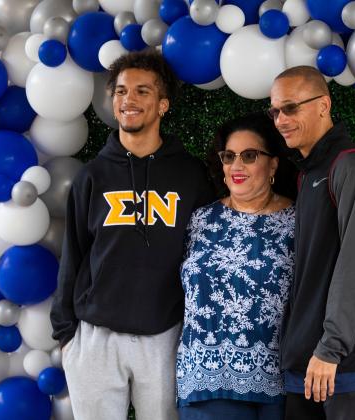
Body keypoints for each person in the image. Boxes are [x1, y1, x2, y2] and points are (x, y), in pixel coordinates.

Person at [176, 113, 355, 420]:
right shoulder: (198, 220)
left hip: (281, 383)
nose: (237, 165)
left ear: (273, 165)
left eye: (250, 155)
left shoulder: (298, 220)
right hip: (206, 381)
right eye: (229, 156)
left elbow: (342, 249)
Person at [50, 51, 214, 420]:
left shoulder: (190, 175)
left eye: (142, 91)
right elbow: (73, 252)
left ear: (163, 104)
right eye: (122, 91)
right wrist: (66, 335)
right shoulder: (92, 176)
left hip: (163, 334)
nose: (129, 99)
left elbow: (203, 254)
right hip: (95, 337)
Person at [270, 65, 355, 419]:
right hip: (305, 363)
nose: (280, 120)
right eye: (275, 110)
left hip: (344, 366)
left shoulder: (351, 167)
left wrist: (331, 348)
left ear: (323, 105)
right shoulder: (309, 173)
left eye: (291, 108)